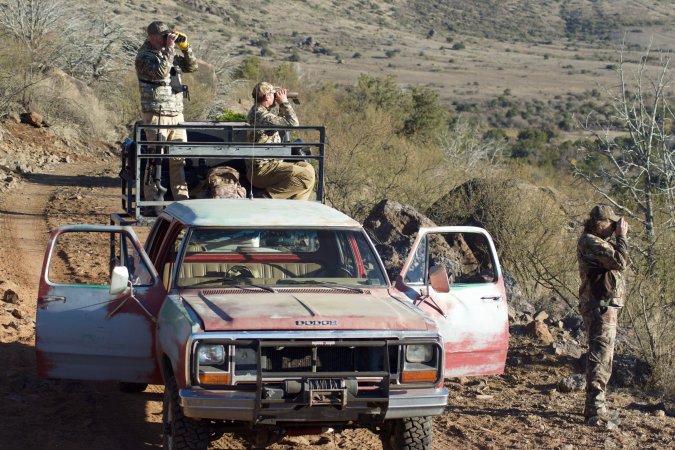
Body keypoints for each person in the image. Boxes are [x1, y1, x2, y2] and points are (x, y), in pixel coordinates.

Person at [577, 205, 629, 425]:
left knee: (603, 355)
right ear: (601, 223)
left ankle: (596, 405)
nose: (615, 227)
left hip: (602, 304)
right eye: (612, 223)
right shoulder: (591, 241)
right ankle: (595, 409)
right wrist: (622, 237)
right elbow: (620, 262)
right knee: (601, 355)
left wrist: (616, 236)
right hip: (599, 305)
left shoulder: (595, 241)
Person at [135, 20, 198, 203]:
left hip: (176, 114)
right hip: (156, 113)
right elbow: (162, 72)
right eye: (164, 36)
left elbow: (191, 67)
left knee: (179, 159)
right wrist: (170, 48)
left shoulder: (168, 54)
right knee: (155, 159)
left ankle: (181, 199)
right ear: (153, 37)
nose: (166, 39)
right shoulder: (144, 56)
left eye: (168, 36)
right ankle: (151, 201)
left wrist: (185, 48)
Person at [246, 82, 315, 200]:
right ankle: (266, 197)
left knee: (308, 168)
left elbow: (281, 122)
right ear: (267, 96)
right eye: (273, 94)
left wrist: (281, 105)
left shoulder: (261, 112)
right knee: (306, 176)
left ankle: (296, 207)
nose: (275, 96)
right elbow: (293, 124)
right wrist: (284, 102)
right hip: (262, 170)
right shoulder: (262, 115)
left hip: (270, 167)